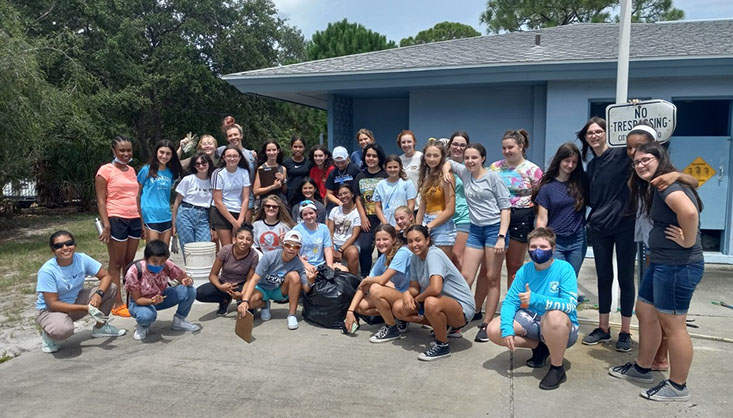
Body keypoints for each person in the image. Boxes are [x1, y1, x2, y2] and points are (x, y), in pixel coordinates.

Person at [608, 141, 704, 402]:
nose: (640, 165)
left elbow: (689, 212)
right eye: (636, 162)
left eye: (645, 159)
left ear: (659, 158)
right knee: (645, 311)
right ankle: (643, 367)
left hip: (677, 265)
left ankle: (678, 386)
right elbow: (692, 183)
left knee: (674, 326)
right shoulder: (664, 182)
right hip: (660, 261)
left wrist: (688, 240)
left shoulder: (666, 186)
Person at [486, 227, 579, 390]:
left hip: (560, 326)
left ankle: (557, 368)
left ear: (553, 249)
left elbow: (570, 304)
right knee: (494, 330)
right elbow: (510, 301)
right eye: (534, 247)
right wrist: (507, 328)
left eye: (543, 247)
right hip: (531, 318)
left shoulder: (565, 269)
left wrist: (536, 298)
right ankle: (540, 348)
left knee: (554, 317)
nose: (538, 251)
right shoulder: (525, 269)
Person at [577, 117, 636, 352]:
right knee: (604, 277)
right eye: (590, 132)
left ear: (607, 133)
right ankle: (603, 328)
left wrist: (635, 115)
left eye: (598, 131)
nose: (594, 135)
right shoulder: (591, 166)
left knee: (625, 278)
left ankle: (625, 331)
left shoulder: (623, 155)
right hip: (600, 228)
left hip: (625, 226)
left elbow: (650, 146)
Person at [443, 143, 511, 343]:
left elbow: (505, 208)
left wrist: (501, 236)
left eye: (474, 157)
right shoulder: (465, 172)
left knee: (492, 277)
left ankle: (487, 323)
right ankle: (461, 317)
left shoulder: (493, 177)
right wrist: (447, 171)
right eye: (467, 158)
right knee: (465, 276)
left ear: (483, 158)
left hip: (494, 230)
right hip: (475, 230)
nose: (470, 161)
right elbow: (447, 162)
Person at [392, 225, 476, 361]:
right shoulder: (415, 258)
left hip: (462, 308)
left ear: (427, 240)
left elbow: (436, 288)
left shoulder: (434, 254)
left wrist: (417, 300)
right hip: (441, 303)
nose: (414, 245)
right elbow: (414, 286)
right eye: (410, 241)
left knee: (430, 303)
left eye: (418, 240)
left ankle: (442, 345)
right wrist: (407, 294)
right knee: (398, 307)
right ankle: (444, 326)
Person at [35, 231, 127, 353]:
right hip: (51, 310)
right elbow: (52, 304)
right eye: (59, 246)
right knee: (63, 330)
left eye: (69, 243)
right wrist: (85, 308)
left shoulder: (82, 258)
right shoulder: (47, 271)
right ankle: (49, 334)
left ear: (75, 245)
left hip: (75, 301)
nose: (65, 248)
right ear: (53, 251)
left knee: (111, 288)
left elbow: (106, 276)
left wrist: (98, 294)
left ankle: (100, 327)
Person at [489, 130, 543, 288]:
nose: (507, 151)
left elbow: (540, 198)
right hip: (497, 218)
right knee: (493, 267)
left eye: (510, 147)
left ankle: (512, 301)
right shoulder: (495, 167)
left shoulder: (533, 170)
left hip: (522, 217)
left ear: (521, 146)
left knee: (514, 265)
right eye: (504, 148)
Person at [95, 135, 140, 317]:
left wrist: (142, 223)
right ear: (114, 151)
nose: (126, 154)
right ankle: (117, 303)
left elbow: (136, 199)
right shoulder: (105, 170)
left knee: (129, 264)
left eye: (128, 150)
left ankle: (131, 300)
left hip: (134, 218)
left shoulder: (131, 170)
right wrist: (106, 225)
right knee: (116, 263)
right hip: (116, 218)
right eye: (122, 150)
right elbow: (100, 200)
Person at [345, 224, 412, 340]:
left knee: (375, 288)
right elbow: (364, 286)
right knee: (360, 306)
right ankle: (398, 318)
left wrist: (367, 280)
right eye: (378, 240)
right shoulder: (382, 259)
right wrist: (350, 311)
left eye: (385, 239)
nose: (381, 243)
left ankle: (391, 328)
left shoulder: (403, 253)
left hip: (410, 296)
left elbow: (382, 279)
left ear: (394, 240)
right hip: (397, 294)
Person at [125, 240, 200, 341]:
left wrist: (187, 280)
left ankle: (179, 320)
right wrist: (152, 301)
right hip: (141, 303)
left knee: (189, 291)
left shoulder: (167, 265)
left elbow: (184, 277)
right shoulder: (134, 272)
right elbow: (138, 299)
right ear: (146, 259)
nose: (158, 265)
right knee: (146, 316)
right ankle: (143, 326)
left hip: (162, 296)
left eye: (162, 261)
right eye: (154, 261)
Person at [533, 143, 588, 276]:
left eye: (574, 162)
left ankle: (569, 298)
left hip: (578, 240)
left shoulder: (582, 183)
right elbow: (541, 218)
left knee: (571, 278)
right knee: (556, 277)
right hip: (556, 241)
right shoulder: (547, 188)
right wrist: (540, 241)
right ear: (559, 160)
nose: (570, 165)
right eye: (567, 161)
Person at [237, 230, 309, 330]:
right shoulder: (269, 256)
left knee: (295, 276)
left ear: (299, 248)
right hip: (262, 288)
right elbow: (254, 280)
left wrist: (311, 279)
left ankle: (292, 315)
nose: (291, 249)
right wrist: (245, 301)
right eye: (288, 245)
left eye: (296, 246)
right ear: (283, 244)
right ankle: (264, 304)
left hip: (278, 290)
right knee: (250, 302)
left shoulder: (298, 264)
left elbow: (306, 288)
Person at [196, 225, 258, 316]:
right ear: (234, 239)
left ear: (252, 242)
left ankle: (240, 300)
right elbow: (213, 275)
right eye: (241, 238)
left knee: (250, 311)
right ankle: (224, 299)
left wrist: (242, 294)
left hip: (241, 284)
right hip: (223, 283)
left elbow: (249, 280)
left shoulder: (254, 255)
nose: (244, 242)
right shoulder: (226, 250)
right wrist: (220, 286)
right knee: (199, 293)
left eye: (248, 239)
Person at [137, 139, 182, 245]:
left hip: (166, 216)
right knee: (153, 253)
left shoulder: (170, 173)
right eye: (161, 152)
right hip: (150, 216)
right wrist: (140, 220)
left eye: (168, 154)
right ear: (156, 152)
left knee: (163, 253)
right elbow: (137, 195)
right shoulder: (146, 170)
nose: (164, 156)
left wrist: (181, 148)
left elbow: (177, 162)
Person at [416, 139, 456, 257]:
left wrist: (429, 226)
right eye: (428, 155)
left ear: (442, 157)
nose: (431, 159)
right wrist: (418, 227)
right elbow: (422, 207)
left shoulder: (447, 177)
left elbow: (450, 210)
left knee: (439, 267)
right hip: (426, 223)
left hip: (442, 226)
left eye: (435, 155)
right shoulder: (427, 178)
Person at [172, 153, 214, 262]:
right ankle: (190, 275)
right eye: (197, 164)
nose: (201, 166)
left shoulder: (213, 180)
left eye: (203, 163)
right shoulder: (188, 179)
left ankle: (203, 276)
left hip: (203, 216)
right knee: (188, 248)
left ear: (209, 163)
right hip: (186, 213)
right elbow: (176, 203)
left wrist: (212, 225)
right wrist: (173, 224)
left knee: (204, 247)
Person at [354, 143, 388, 276]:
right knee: (365, 247)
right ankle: (365, 276)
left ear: (379, 158)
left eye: (374, 156)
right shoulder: (360, 176)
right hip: (367, 218)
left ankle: (382, 276)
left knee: (383, 249)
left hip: (383, 218)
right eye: (368, 155)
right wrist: (363, 217)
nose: (371, 158)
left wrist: (384, 220)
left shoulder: (385, 175)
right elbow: (358, 198)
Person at [218, 118, 257, 223]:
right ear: (226, 138)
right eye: (230, 135)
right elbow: (204, 154)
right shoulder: (222, 151)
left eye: (236, 134)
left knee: (244, 231)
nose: (233, 137)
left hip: (247, 198)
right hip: (227, 198)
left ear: (241, 135)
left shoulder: (251, 155)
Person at [211, 145, 251, 246]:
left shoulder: (244, 172)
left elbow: (246, 198)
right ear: (224, 157)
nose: (232, 159)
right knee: (228, 247)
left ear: (239, 158)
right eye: (229, 156)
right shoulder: (218, 173)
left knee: (240, 245)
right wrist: (234, 222)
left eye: (235, 156)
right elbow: (218, 201)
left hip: (239, 211)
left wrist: (240, 220)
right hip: (221, 212)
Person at [447, 131, 472, 272]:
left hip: (463, 216)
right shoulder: (441, 165)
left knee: (457, 256)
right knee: (445, 257)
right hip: (444, 217)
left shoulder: (470, 166)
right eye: (455, 144)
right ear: (450, 145)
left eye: (462, 145)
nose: (458, 148)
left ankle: (461, 292)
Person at [294, 202, 335, 281]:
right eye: (305, 214)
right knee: (310, 276)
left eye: (311, 213)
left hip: (321, 264)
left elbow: (327, 248)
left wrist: (330, 266)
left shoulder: (324, 228)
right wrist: (306, 264)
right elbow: (295, 252)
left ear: (316, 213)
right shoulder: (296, 229)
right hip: (303, 264)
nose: (309, 216)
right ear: (302, 217)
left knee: (344, 270)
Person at [328, 184, 361, 275]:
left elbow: (354, 236)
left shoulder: (357, 213)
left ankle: (353, 280)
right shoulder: (334, 210)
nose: (343, 196)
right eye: (340, 194)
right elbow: (330, 232)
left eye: (346, 193)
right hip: (334, 243)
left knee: (353, 253)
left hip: (348, 244)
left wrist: (340, 250)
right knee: (323, 251)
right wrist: (331, 248)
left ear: (352, 194)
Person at [374, 155, 417, 226]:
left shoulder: (407, 183)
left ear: (400, 167)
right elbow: (377, 206)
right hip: (387, 223)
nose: (392, 169)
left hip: (404, 224)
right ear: (385, 168)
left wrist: (402, 222)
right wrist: (385, 224)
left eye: (395, 167)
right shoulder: (380, 184)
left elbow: (411, 204)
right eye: (390, 167)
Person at [252, 139, 287, 204]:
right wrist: (273, 187)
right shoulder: (261, 169)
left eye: (274, 150)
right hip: (265, 202)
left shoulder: (283, 168)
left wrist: (283, 180)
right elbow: (256, 191)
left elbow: (284, 191)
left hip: (280, 202)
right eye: (269, 150)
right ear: (265, 152)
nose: (271, 153)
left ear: (278, 151)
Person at [283, 136, 311, 207]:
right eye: (295, 147)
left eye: (300, 147)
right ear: (291, 147)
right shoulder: (286, 163)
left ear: (304, 147)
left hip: (305, 195)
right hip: (290, 197)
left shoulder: (309, 163)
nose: (298, 149)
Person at [397, 130, 422, 206]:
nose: (406, 144)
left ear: (414, 142)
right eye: (403, 142)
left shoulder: (421, 157)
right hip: (404, 203)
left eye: (409, 142)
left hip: (419, 203)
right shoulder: (399, 160)